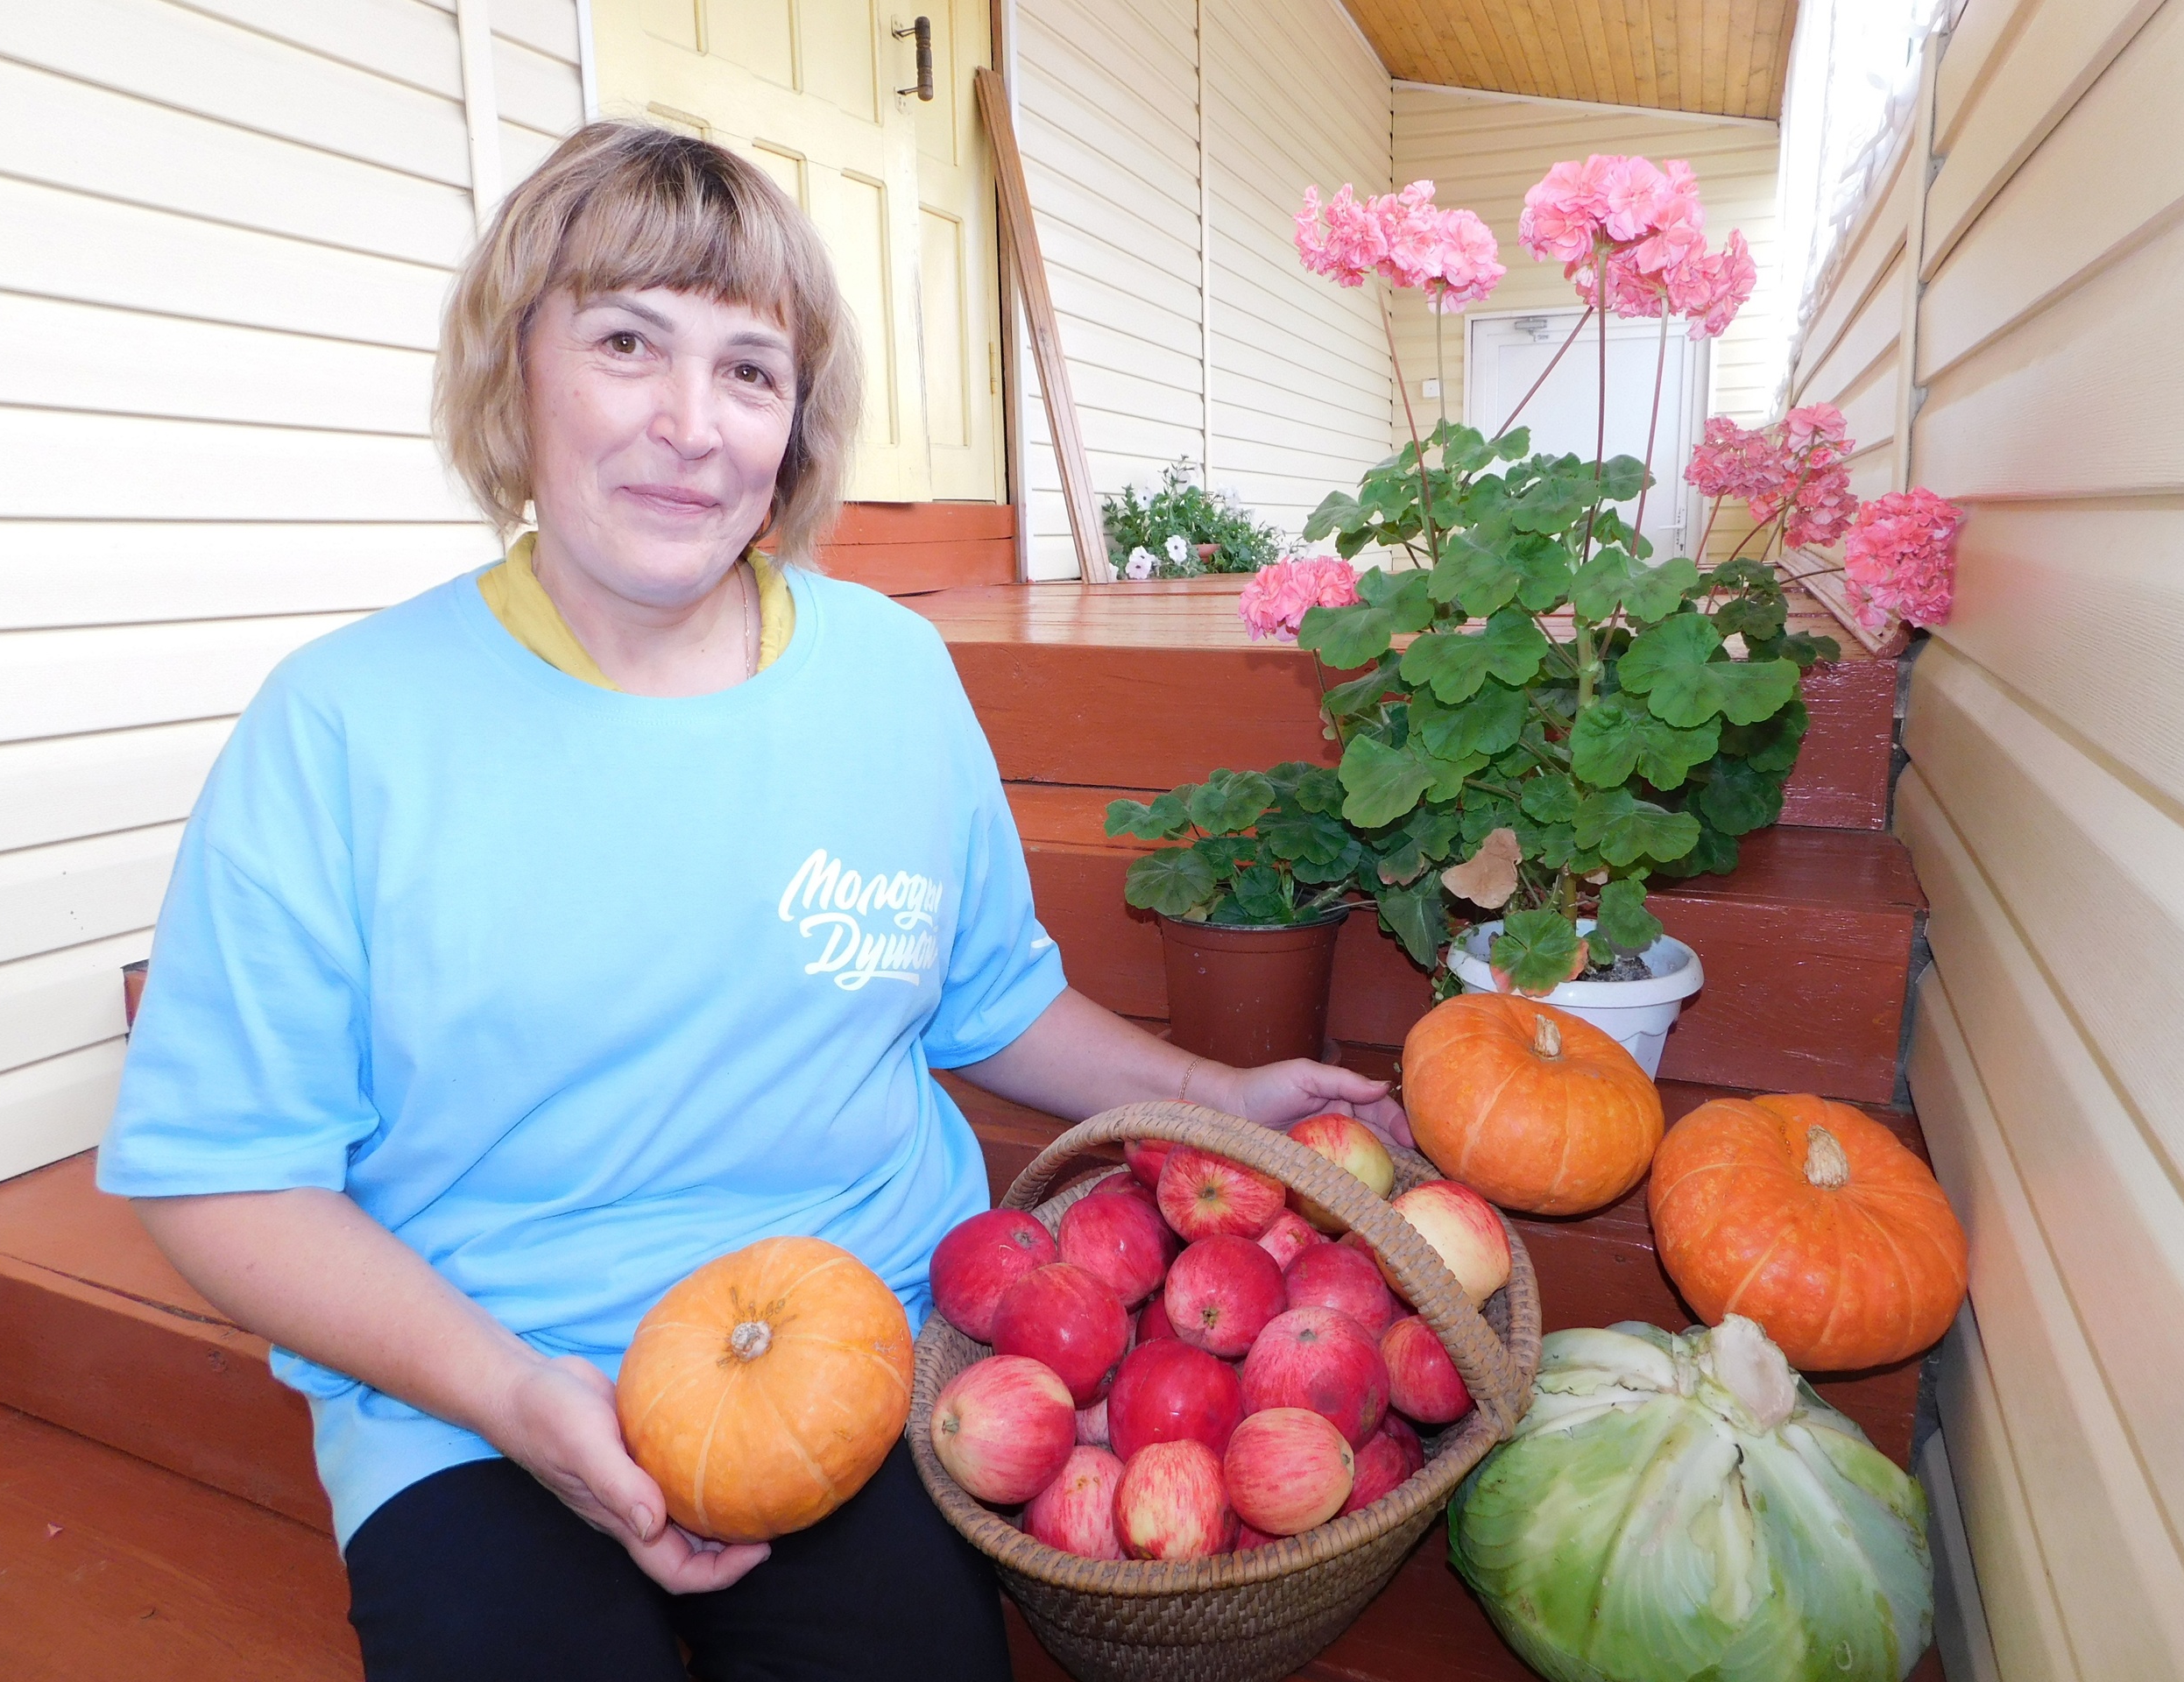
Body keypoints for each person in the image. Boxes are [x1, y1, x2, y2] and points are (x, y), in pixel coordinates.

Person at [99, 123, 1408, 1682]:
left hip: (867, 1353)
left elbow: (984, 996)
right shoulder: (340, 727)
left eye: (748, 370)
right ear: (513, 374)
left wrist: (1213, 1093)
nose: (689, 425)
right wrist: (517, 1398)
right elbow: (221, 1179)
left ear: (795, 428)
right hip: (479, 1392)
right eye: (626, 340)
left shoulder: (891, 676)